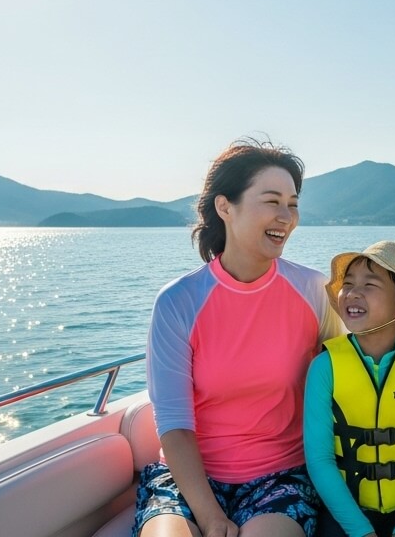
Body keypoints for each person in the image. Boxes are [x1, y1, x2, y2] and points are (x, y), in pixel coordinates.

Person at [137, 139, 340, 537]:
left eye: (293, 203)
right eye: (272, 201)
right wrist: (211, 517)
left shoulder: (315, 291)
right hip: (186, 480)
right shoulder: (178, 302)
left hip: (280, 479)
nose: (287, 216)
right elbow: (175, 424)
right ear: (225, 207)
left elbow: (347, 376)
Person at [304, 241, 395, 537]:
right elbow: (320, 459)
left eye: (370, 284)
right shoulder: (324, 367)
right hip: (344, 516)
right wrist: (360, 531)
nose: (353, 293)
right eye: (347, 284)